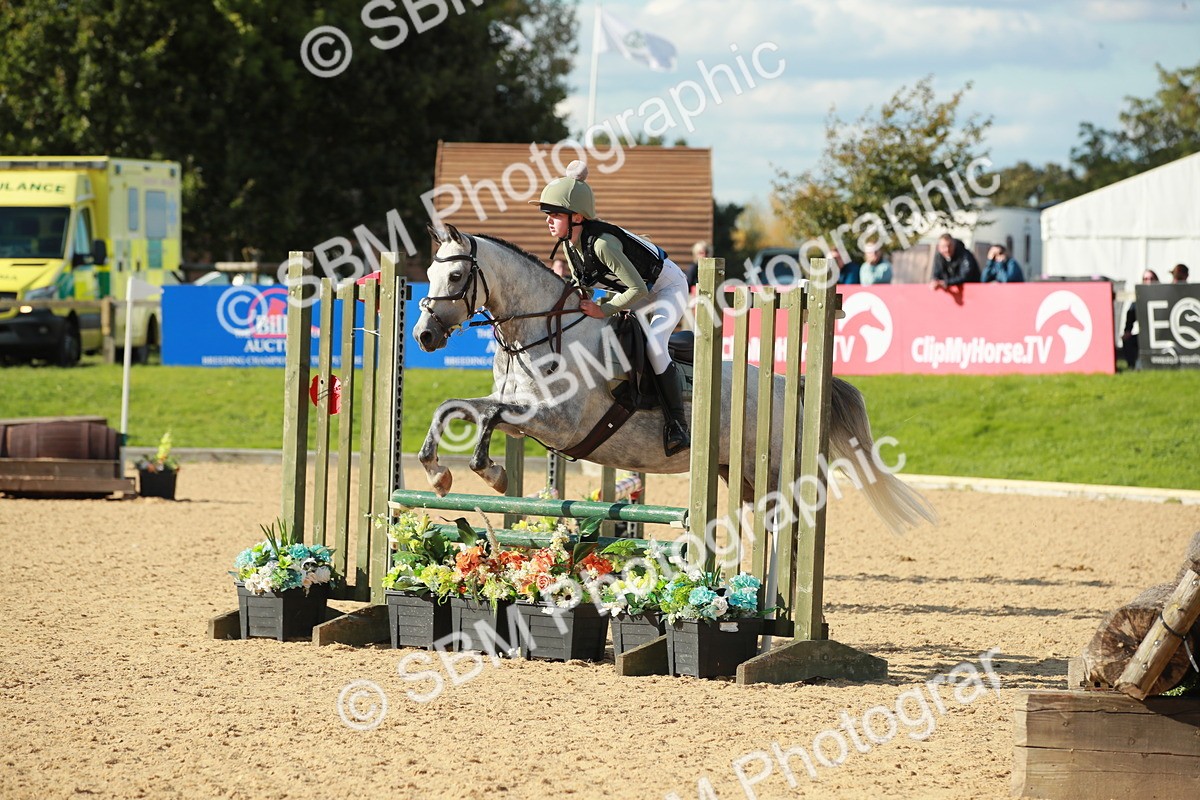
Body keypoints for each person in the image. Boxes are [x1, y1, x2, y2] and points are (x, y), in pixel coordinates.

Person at [535, 160, 691, 456]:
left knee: (656, 345)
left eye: (555, 214)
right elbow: (583, 287)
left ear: (577, 217)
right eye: (548, 215)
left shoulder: (603, 244)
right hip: (632, 293)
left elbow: (639, 289)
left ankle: (677, 425)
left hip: (665, 289)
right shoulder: (570, 244)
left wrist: (603, 310)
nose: (548, 220)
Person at [1121, 269, 1159, 369]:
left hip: (1160, 335)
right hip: (1144, 336)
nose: (1149, 281)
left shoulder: (1163, 295)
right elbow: (1130, 316)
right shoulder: (1137, 299)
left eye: (1151, 278)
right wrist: (1127, 330)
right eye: (1146, 279)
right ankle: (1132, 366)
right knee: (1127, 339)